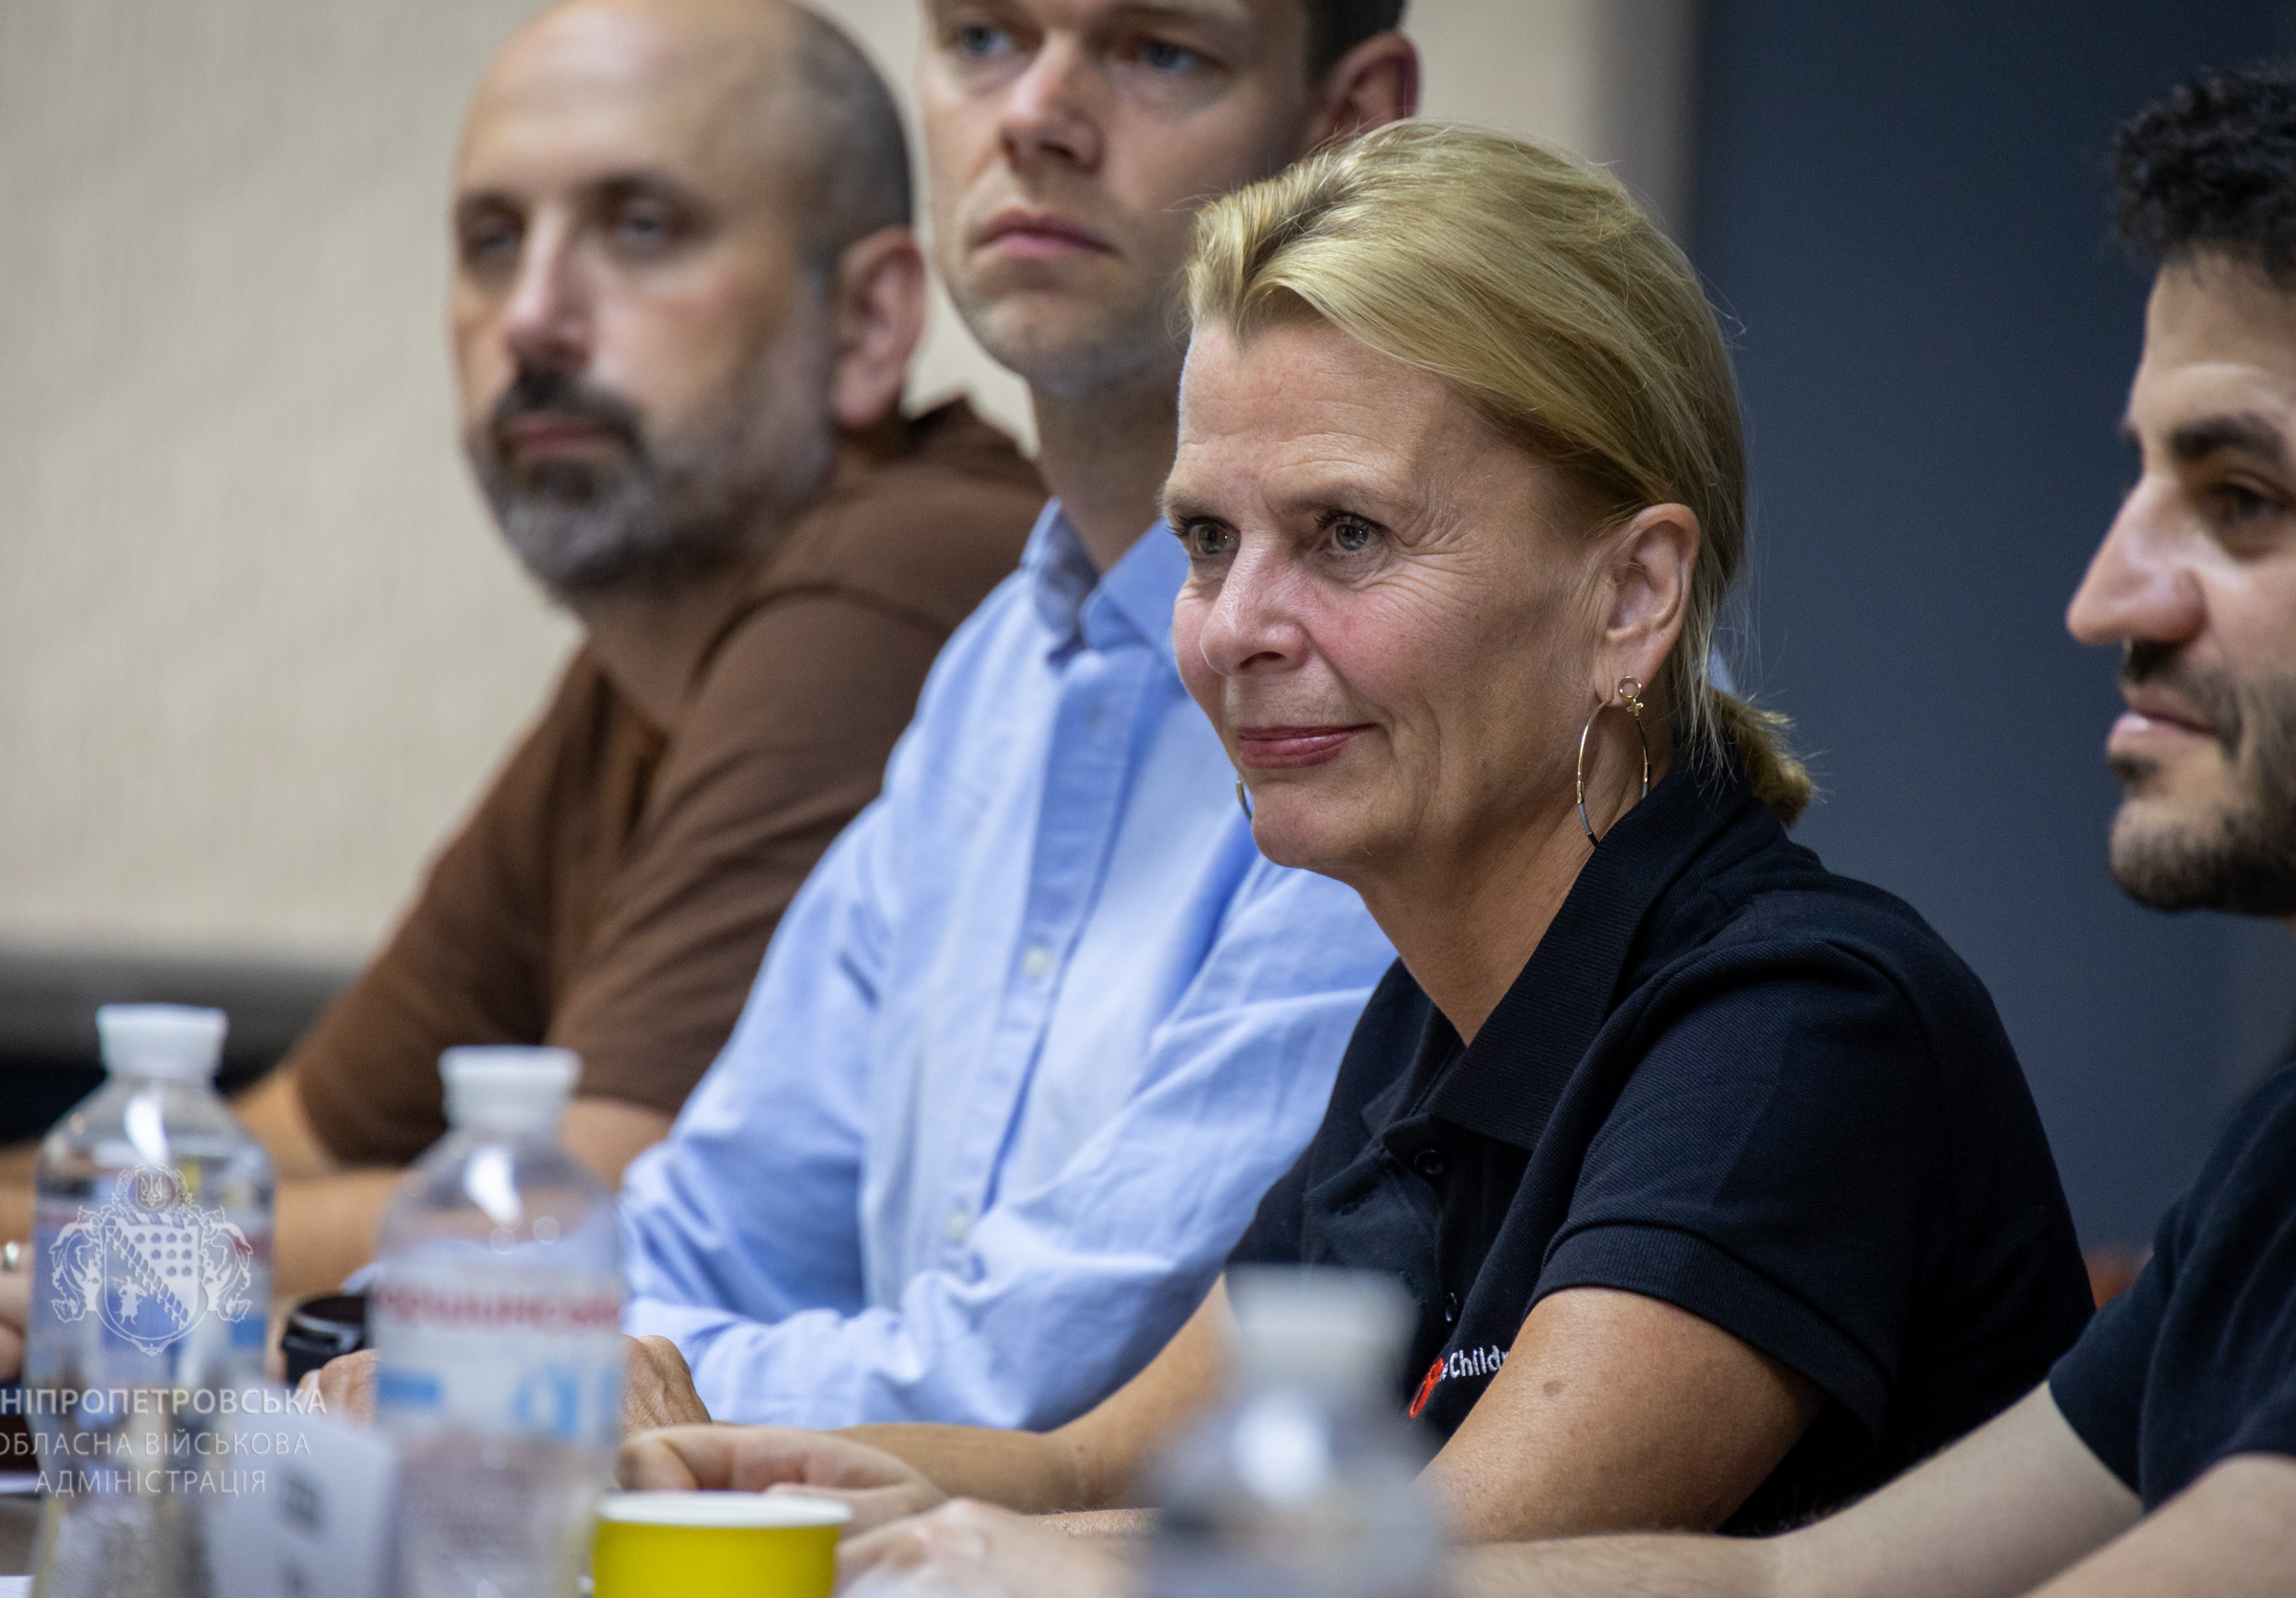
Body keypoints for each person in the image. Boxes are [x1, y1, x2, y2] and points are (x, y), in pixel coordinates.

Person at [728, 66, 2296, 1598]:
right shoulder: (1429, 1018)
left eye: (1348, 535)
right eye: (1206, 537)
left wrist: (979, 1558)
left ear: (1633, 598)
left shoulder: (1797, 1024)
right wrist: (745, 1474)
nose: (1234, 628)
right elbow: (1087, 1471)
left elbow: (1450, 1563)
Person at [0, 0, 1045, 1303]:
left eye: (642, 228)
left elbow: (565, 1225)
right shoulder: (641, 668)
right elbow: (298, 1139)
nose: (535, 320)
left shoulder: (898, 582)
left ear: (867, 324)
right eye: (492, 243)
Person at [602, 0, 1419, 1430]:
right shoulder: (994, 670)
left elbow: (1044, 1385)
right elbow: (697, 1238)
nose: (1035, 116)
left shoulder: (1394, 684)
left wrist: (568, 1379)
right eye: (983, 35)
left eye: (1159, 49)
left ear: (1345, 120)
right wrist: (543, 1352)